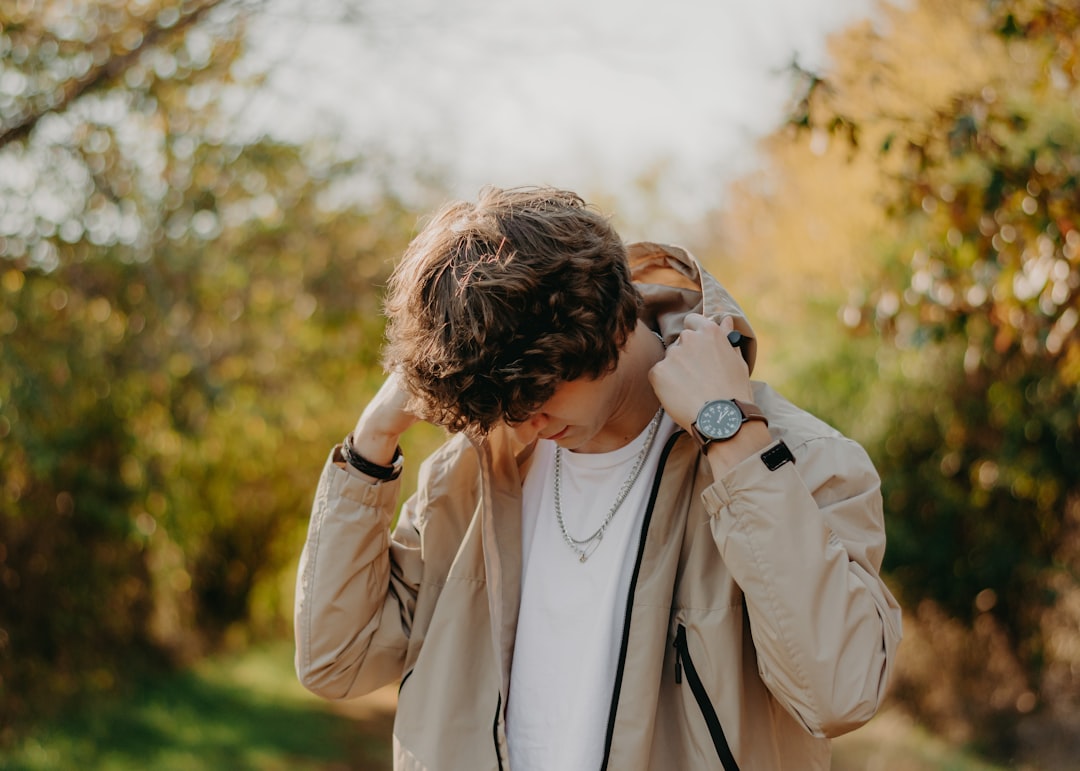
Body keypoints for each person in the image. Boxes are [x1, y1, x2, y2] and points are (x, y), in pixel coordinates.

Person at [294, 186, 903, 771]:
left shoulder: (794, 459)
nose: (522, 421)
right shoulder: (470, 474)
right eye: (503, 406)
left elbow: (838, 692)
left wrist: (732, 438)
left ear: (606, 323)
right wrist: (373, 441)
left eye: (538, 393)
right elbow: (334, 661)